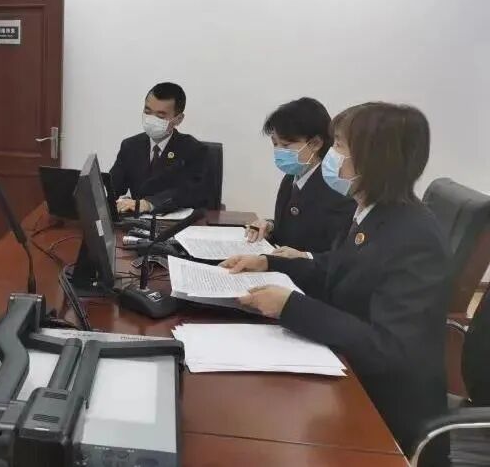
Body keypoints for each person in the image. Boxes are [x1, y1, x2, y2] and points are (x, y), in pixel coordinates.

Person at [223, 102, 450, 465]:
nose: (330, 155)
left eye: (340, 146)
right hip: (349, 374)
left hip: (385, 413)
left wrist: (290, 306)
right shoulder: (372, 212)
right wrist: (269, 262)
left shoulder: (414, 236)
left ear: (376, 159)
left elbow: (389, 349)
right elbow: (337, 269)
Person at [246, 98, 354, 253]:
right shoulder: (291, 177)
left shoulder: (336, 186)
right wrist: (269, 227)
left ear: (315, 143)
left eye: (286, 145)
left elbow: (337, 253)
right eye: (275, 143)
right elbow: (289, 233)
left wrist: (304, 256)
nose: (278, 151)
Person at [110, 82, 208, 214]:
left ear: (178, 119)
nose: (151, 119)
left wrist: (148, 204)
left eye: (160, 116)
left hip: (176, 222)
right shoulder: (130, 146)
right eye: (147, 111)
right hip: (137, 223)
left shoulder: (193, 149)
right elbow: (113, 187)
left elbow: (189, 192)